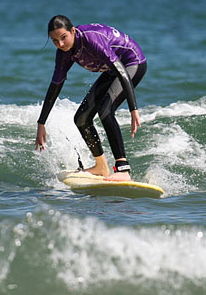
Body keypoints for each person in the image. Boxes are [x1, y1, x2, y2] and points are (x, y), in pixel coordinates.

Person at [35, 15, 147, 181]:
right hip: (112, 71)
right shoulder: (63, 54)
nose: (60, 44)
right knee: (81, 118)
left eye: (63, 37)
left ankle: (123, 169)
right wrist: (41, 123)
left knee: (106, 111)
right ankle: (101, 167)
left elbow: (121, 72)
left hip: (131, 64)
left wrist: (133, 108)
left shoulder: (91, 39)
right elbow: (55, 86)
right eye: (55, 40)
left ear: (73, 31)